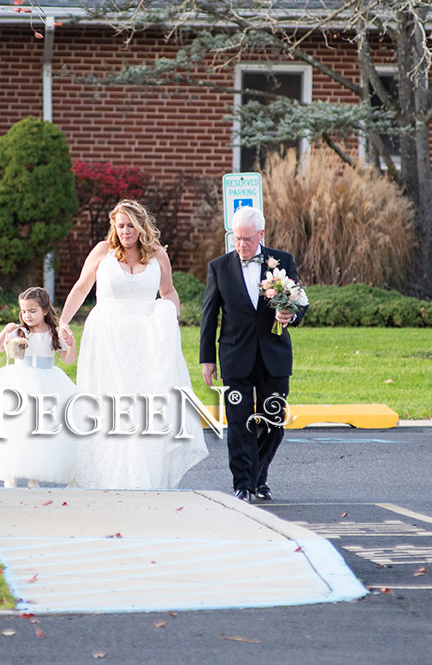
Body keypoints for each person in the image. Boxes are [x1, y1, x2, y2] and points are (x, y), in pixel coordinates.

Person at [58, 200, 207, 490]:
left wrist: (172, 315)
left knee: (142, 406)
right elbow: (81, 286)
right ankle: (105, 474)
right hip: (107, 337)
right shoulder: (103, 252)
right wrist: (63, 322)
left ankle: (141, 474)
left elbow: (168, 291)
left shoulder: (158, 255)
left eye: (130, 225)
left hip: (145, 339)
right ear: (114, 226)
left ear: (141, 226)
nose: (125, 231)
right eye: (120, 225)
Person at [199, 206, 303, 502]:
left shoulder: (281, 262)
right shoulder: (219, 267)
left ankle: (259, 476)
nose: (241, 245)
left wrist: (290, 316)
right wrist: (207, 359)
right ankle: (244, 483)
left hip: (274, 356)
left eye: (247, 239)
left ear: (261, 234)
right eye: (236, 238)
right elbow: (209, 316)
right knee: (239, 422)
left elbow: (298, 300)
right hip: (235, 356)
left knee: (274, 421)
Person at [0, 286, 78, 488]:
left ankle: (33, 477)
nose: (27, 315)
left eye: (32, 311)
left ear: (45, 310)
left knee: (39, 429)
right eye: (23, 311)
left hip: (47, 382)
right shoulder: (20, 331)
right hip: (20, 381)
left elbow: (70, 360)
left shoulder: (54, 332)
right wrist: (6, 333)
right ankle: (11, 472)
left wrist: (71, 344)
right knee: (17, 427)